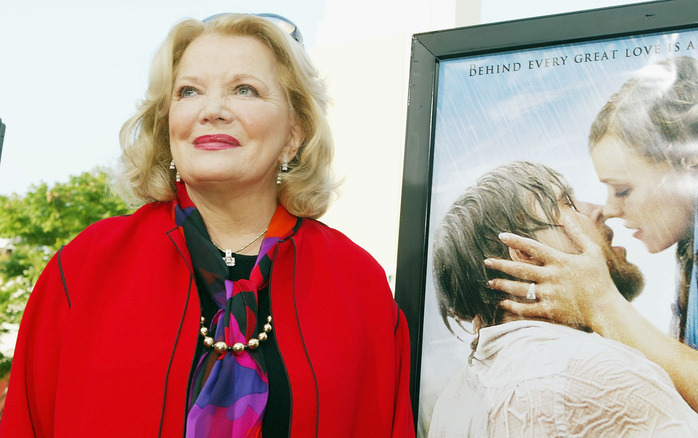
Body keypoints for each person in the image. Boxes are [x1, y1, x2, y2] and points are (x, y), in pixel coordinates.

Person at [0, 13, 414, 437]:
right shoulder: (86, 267)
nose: (212, 110)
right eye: (189, 91)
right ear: (168, 125)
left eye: (244, 89)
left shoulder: (357, 284)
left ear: (295, 131)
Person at [489, 56, 698, 438]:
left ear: (691, 161)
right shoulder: (695, 242)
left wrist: (600, 303)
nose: (609, 209)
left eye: (623, 189)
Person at [428, 161, 698, 437]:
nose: (600, 209)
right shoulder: (591, 370)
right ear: (525, 254)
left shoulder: (450, 403)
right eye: (567, 203)